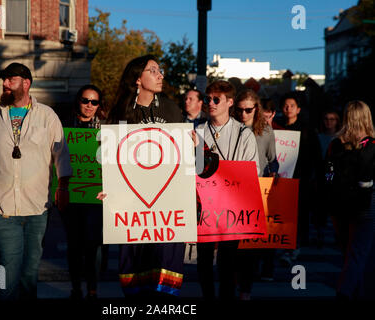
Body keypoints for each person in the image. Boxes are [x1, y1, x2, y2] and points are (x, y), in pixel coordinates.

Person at [0, 62, 72, 300]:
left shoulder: (47, 116)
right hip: (2, 205)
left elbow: (61, 154)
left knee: (29, 272)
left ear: (26, 83)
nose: (5, 84)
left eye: (10, 79)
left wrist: (63, 187)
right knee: (7, 267)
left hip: (37, 207)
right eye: (4, 80)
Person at [105, 54, 185, 298]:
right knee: (135, 268)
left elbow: (186, 162)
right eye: (153, 71)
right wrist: (109, 187)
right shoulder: (120, 111)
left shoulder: (171, 108)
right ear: (138, 79)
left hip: (167, 204)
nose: (160, 75)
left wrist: (193, 146)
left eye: (159, 71)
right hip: (132, 205)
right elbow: (108, 158)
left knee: (165, 268)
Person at [195, 80, 259, 300]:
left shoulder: (244, 134)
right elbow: (190, 169)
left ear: (229, 102)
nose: (210, 103)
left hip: (231, 206)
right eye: (208, 98)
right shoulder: (197, 131)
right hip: (204, 205)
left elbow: (254, 171)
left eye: (216, 99)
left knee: (227, 262)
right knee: (202, 261)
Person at [325, 101, 375, 300]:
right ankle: (344, 293)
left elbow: (327, 174)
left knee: (348, 254)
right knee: (359, 255)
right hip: (365, 205)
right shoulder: (371, 145)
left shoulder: (335, 144)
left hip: (339, 204)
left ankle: (356, 294)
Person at [59, 84, 105, 300]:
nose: (89, 105)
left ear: (99, 105)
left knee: (94, 244)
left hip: (97, 196)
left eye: (94, 102)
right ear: (78, 101)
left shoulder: (106, 129)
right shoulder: (63, 126)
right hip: (71, 193)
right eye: (85, 100)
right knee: (74, 244)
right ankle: (76, 287)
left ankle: (93, 288)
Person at [232, 89, 279, 299]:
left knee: (249, 246)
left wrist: (274, 172)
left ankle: (245, 290)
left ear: (256, 109)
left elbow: (272, 158)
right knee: (232, 244)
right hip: (232, 190)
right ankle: (233, 281)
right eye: (240, 110)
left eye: (248, 110)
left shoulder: (266, 132)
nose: (243, 114)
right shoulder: (230, 128)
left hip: (257, 189)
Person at [275, 93, 318, 265]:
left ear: (298, 109)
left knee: (298, 216)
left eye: (292, 105)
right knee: (283, 216)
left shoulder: (307, 130)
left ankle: (292, 248)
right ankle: (286, 247)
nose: (288, 108)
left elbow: (315, 157)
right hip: (282, 179)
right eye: (285, 105)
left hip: (301, 179)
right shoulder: (276, 127)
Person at [312, 110, 341, 248]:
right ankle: (320, 233)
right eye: (326, 119)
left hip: (337, 177)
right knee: (320, 207)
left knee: (337, 208)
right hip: (321, 174)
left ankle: (338, 235)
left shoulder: (342, 137)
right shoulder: (318, 137)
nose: (329, 122)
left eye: (332, 119)